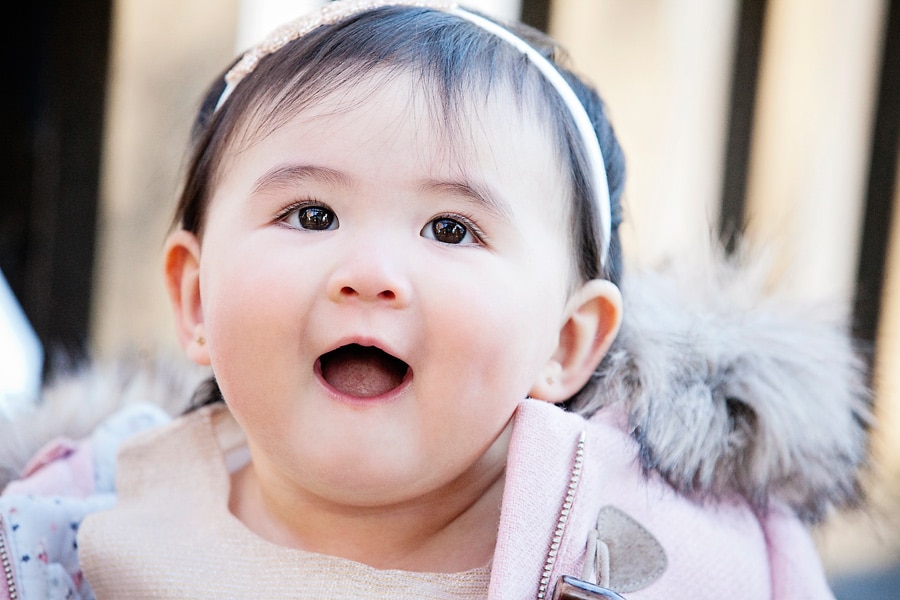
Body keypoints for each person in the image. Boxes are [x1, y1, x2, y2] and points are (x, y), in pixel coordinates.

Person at [0, 1, 870, 598]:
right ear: (195, 299)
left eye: (451, 230)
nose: (370, 271)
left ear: (566, 345)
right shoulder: (71, 532)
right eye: (312, 213)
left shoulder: (668, 552)